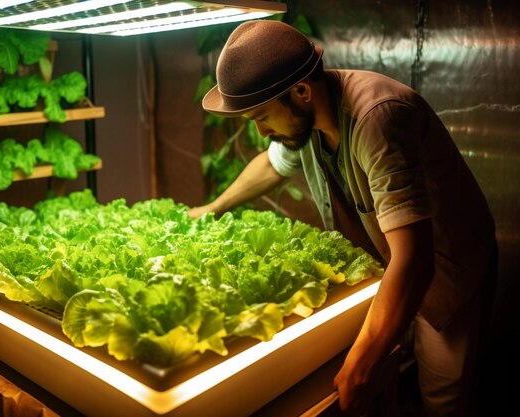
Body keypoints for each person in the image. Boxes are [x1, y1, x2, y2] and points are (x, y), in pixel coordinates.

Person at [188, 20, 497, 417]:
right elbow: (271, 166)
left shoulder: (376, 117)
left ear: (300, 92)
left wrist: (360, 367)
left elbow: (416, 261)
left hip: (448, 273)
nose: (263, 131)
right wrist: (212, 209)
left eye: (262, 116)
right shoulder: (306, 120)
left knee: (441, 400)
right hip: (399, 267)